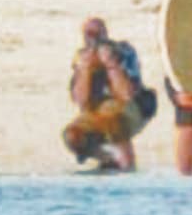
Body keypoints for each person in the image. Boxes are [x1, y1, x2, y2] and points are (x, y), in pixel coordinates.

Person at [61, 16, 155, 172]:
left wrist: (111, 65)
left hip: (131, 108)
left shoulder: (123, 51)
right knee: (72, 136)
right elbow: (82, 101)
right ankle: (107, 158)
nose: (94, 41)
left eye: (96, 35)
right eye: (89, 35)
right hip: (96, 110)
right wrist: (85, 70)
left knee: (112, 116)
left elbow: (126, 95)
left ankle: (127, 165)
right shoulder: (82, 57)